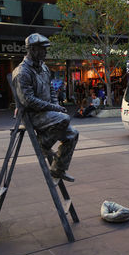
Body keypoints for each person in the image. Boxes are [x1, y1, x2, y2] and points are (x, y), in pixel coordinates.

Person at [12, 33, 78, 182]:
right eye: (43, 49)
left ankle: (57, 169)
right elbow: (28, 100)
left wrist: (55, 106)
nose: (46, 52)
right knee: (64, 118)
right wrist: (53, 108)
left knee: (73, 134)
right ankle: (43, 144)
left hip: (46, 113)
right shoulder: (22, 72)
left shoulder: (44, 68)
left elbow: (51, 89)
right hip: (31, 115)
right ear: (33, 50)